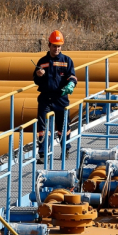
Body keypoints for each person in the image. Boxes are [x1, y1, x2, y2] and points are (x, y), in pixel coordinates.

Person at [33, 30, 77, 164]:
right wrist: (38, 75)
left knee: (63, 126)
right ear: (49, 45)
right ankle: (42, 153)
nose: (56, 48)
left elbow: (73, 76)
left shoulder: (66, 61)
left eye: (59, 46)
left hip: (61, 99)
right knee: (43, 127)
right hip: (46, 99)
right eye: (54, 46)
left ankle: (66, 149)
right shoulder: (43, 61)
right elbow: (36, 80)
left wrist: (71, 84)